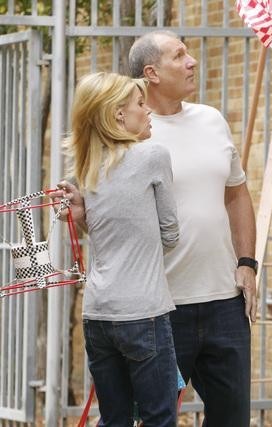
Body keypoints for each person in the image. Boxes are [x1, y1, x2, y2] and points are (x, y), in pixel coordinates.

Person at [63, 71, 180, 426]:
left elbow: (107, 237)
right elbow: (170, 235)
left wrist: (84, 217)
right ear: (118, 115)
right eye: (140, 104)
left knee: (114, 420)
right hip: (143, 312)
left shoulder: (86, 167)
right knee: (159, 418)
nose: (148, 111)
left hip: (98, 316)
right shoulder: (152, 156)